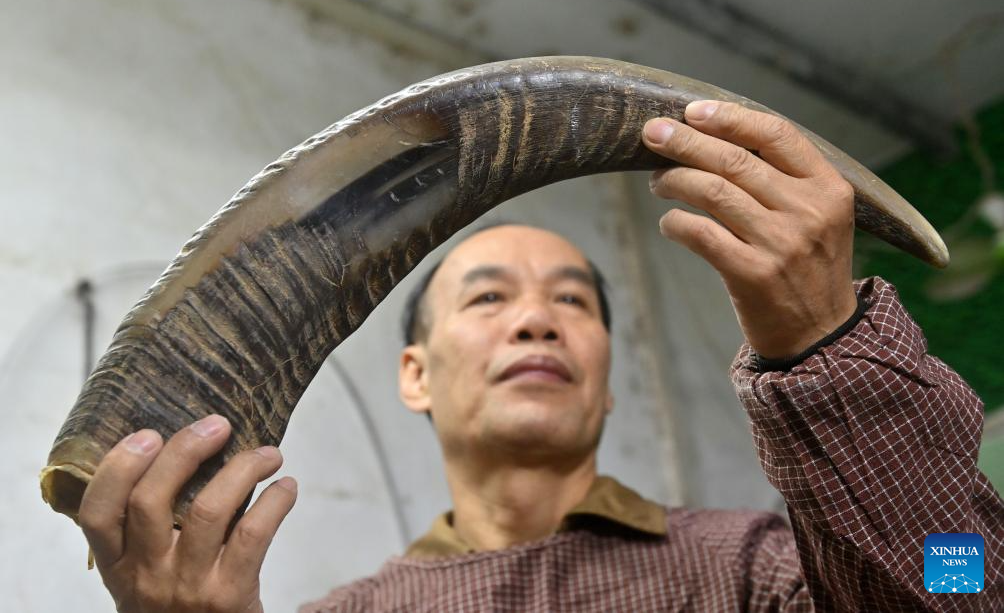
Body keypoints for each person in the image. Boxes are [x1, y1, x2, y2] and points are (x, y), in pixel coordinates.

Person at [77, 101, 1002, 611]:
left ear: (606, 384)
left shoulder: (765, 564)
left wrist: (828, 350)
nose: (538, 322)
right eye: (489, 299)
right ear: (416, 375)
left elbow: (967, 580)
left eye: (572, 300)